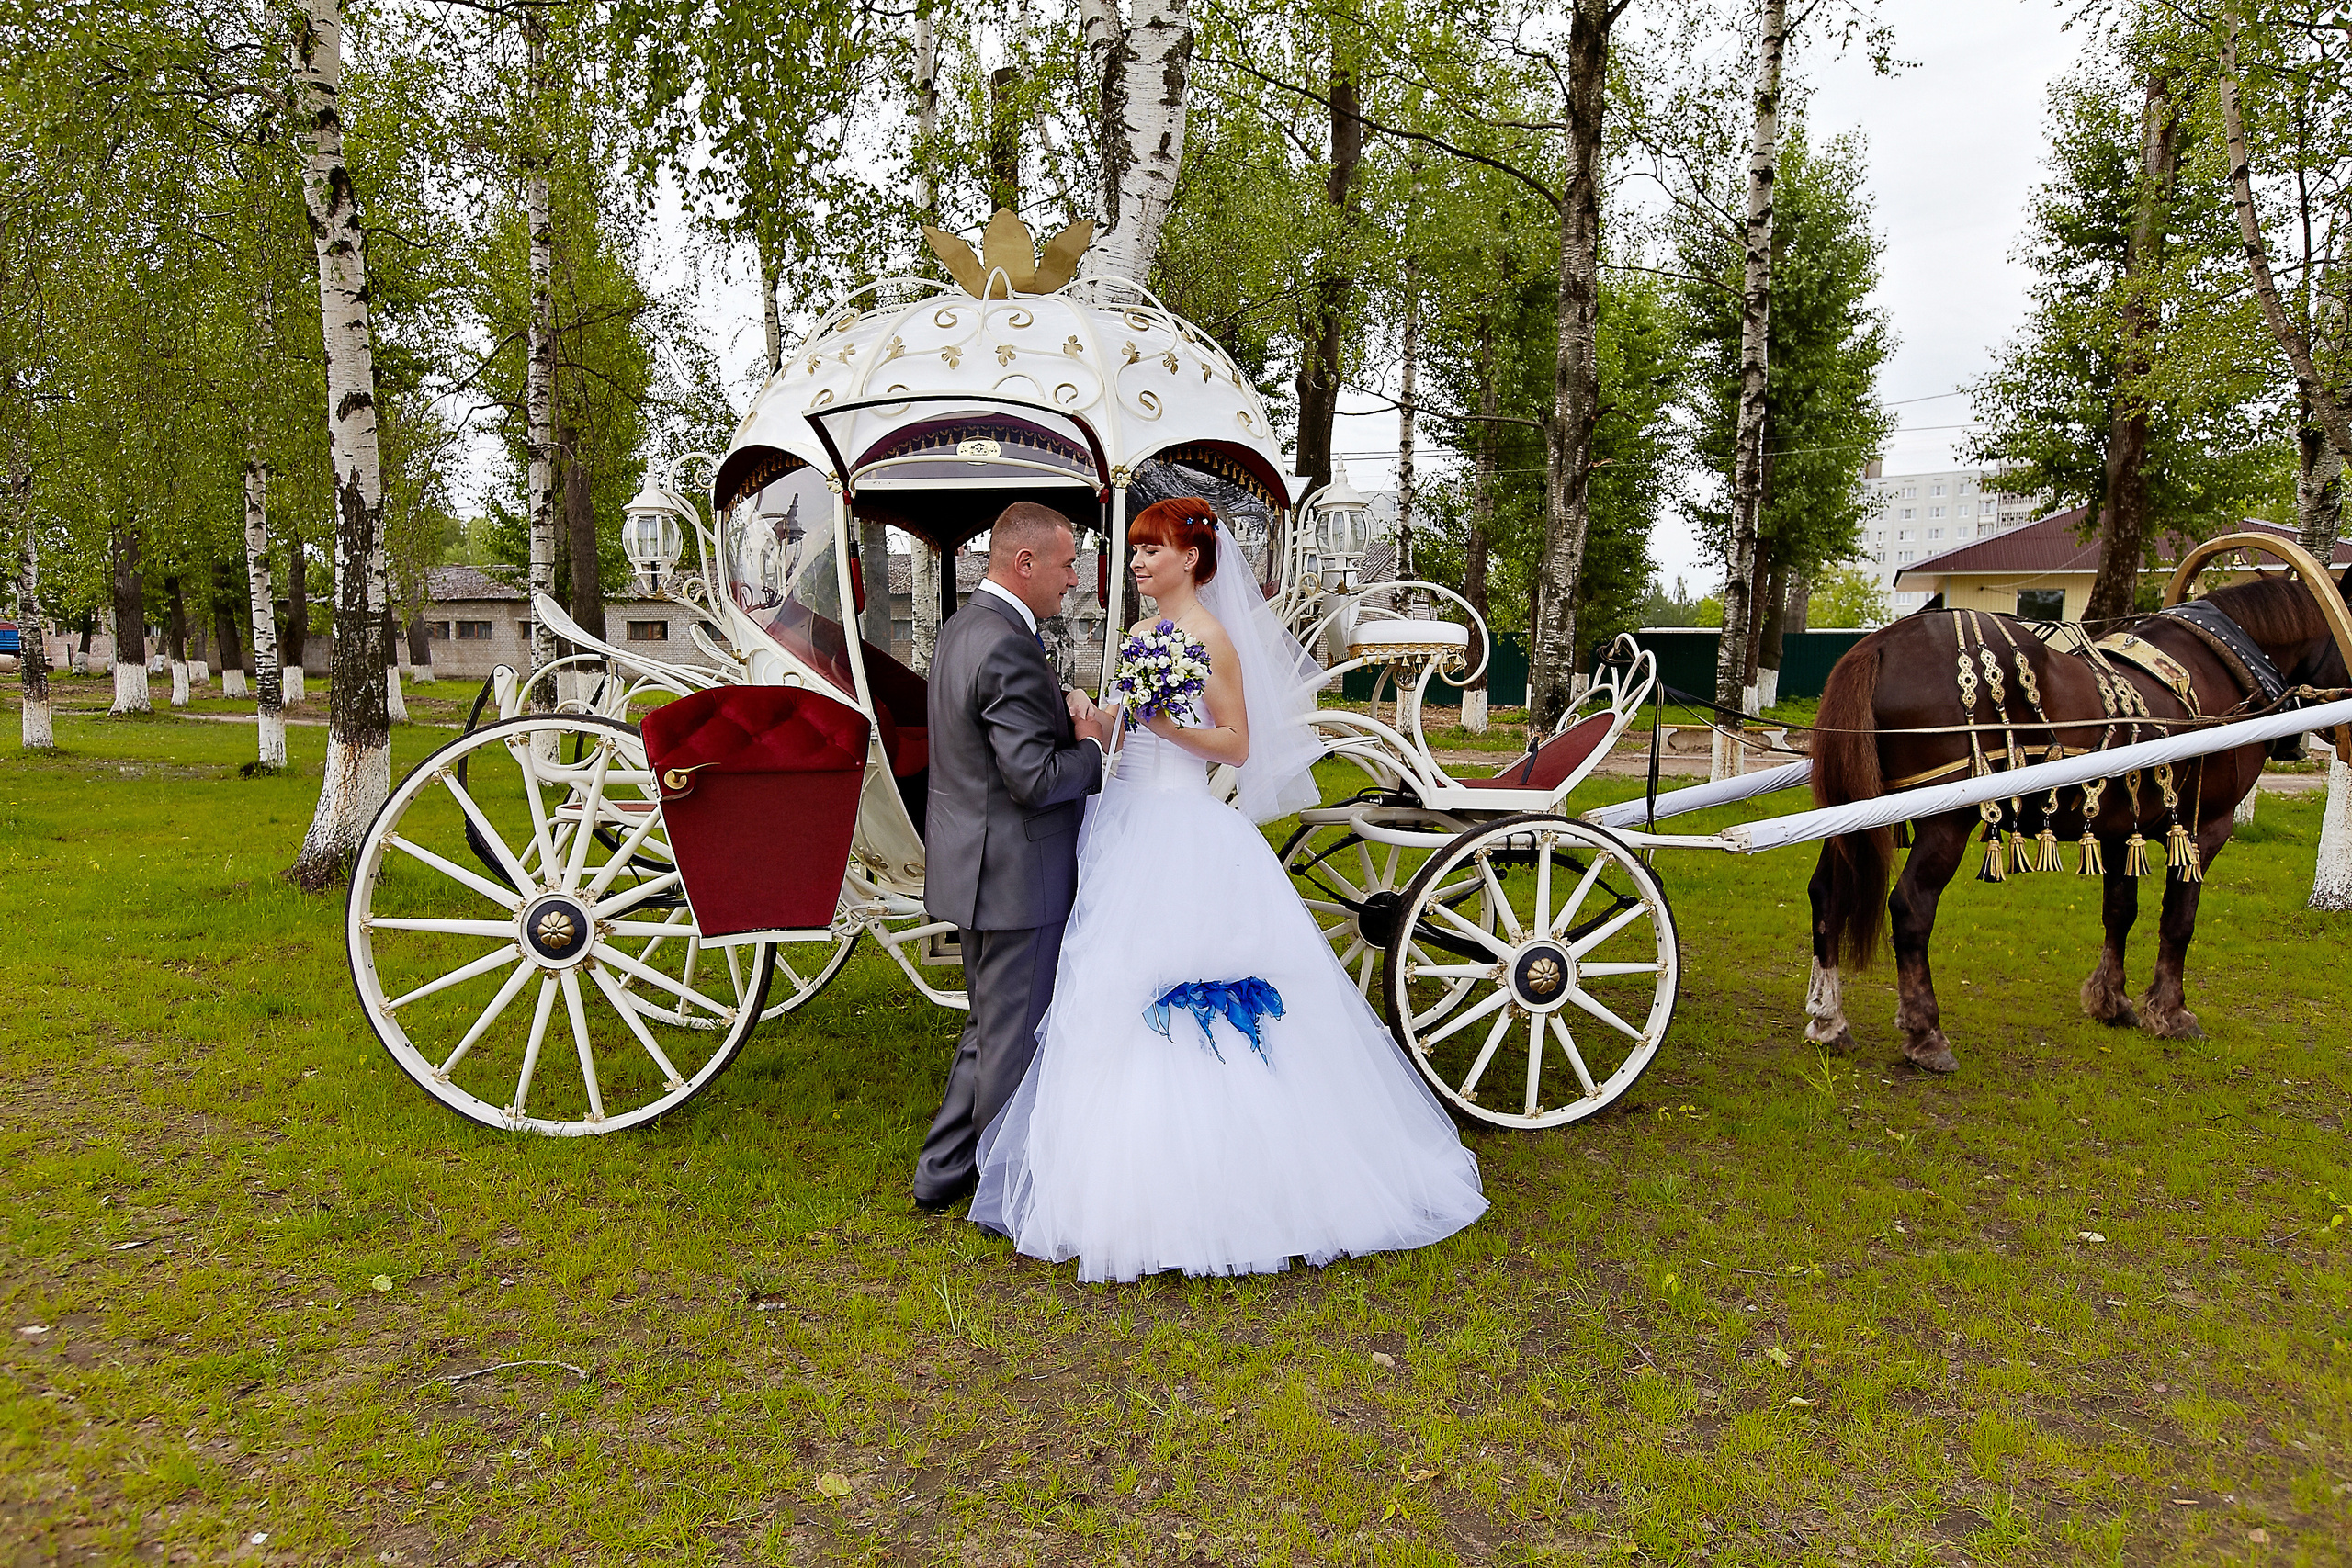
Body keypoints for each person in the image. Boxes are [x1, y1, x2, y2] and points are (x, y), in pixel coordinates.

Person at [969, 497, 1487, 1281]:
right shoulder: (1143, 635)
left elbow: (1238, 744)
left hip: (1182, 826)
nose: (1138, 562)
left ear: (1195, 560)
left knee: (1189, 988)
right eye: (1135, 550)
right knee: (1111, 991)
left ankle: (1238, 1187)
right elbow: (1133, 725)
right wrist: (1099, 715)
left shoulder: (1213, 638)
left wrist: (1169, 728)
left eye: (1154, 550)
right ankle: (1120, 1182)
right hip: (1124, 819)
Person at [913, 501, 1114, 1213]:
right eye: (1065, 565)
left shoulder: (966, 628)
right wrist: (1091, 745)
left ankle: (940, 1175)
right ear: (1023, 563)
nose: (1073, 580)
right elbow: (1034, 780)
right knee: (1011, 1041)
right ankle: (1004, 1199)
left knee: (988, 1027)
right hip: (1015, 875)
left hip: (977, 866)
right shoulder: (1007, 644)